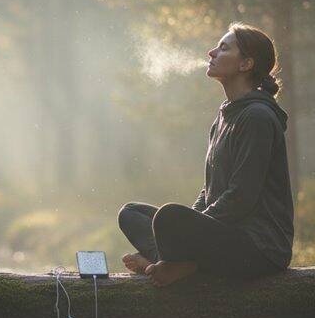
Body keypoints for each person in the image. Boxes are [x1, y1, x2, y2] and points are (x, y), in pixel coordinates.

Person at [118, 22, 295, 287]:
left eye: (223, 48)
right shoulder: (225, 116)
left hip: (259, 248)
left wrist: (187, 231)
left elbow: (241, 197)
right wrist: (189, 229)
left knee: (168, 217)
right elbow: (209, 190)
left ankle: (173, 263)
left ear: (245, 64)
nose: (212, 52)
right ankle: (175, 264)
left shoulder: (257, 117)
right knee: (131, 213)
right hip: (225, 236)